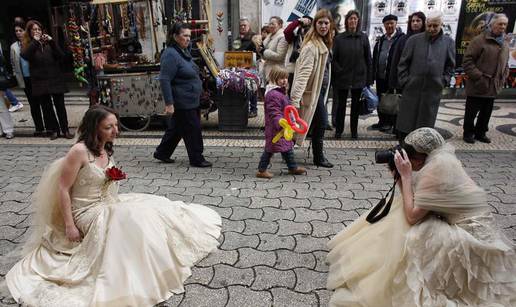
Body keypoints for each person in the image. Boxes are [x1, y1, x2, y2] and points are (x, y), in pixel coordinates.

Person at [5, 105, 222, 306]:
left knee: (152, 211)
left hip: (107, 203)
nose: (115, 131)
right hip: (85, 212)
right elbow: (63, 189)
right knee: (129, 220)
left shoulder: (105, 146)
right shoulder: (79, 151)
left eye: (115, 125)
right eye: (108, 127)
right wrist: (70, 226)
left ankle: (153, 265)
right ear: (94, 128)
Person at [327, 127, 516, 306]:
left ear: (421, 157)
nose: (408, 161)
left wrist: (406, 177)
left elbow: (412, 216)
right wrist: (401, 179)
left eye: (411, 156)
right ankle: (377, 261)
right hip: (478, 225)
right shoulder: (443, 160)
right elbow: (416, 202)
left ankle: (387, 270)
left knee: (420, 232)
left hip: (473, 239)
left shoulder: (437, 170)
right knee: (402, 208)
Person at [154, 22, 212, 168]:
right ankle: (197, 158)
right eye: (184, 36)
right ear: (175, 36)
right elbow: (164, 79)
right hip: (183, 100)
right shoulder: (170, 54)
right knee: (193, 129)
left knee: (177, 128)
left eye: (189, 36)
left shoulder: (183, 51)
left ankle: (162, 152)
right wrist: (169, 104)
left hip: (191, 98)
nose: (188, 39)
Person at [395, 12, 455, 140]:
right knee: (406, 124)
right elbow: (403, 63)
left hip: (432, 91)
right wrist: (405, 81)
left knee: (425, 129)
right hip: (412, 89)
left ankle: (420, 154)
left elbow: (450, 66)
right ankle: (404, 150)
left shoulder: (448, 42)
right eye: (429, 26)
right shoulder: (414, 40)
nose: (432, 29)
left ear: (441, 25)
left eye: (435, 26)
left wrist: (443, 80)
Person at [290, 9, 334, 168]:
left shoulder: (324, 42)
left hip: (320, 91)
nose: (323, 26)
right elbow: (303, 75)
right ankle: (318, 157)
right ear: (315, 25)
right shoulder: (311, 47)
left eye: (326, 23)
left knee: (313, 124)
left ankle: (287, 152)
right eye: (320, 23)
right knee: (320, 123)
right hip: (311, 93)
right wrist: (294, 100)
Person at [21, 20, 74, 140]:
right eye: (34, 29)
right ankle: (54, 130)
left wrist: (52, 42)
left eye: (39, 29)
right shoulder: (28, 45)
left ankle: (65, 130)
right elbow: (25, 56)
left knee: (60, 105)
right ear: (29, 32)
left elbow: (61, 56)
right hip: (40, 80)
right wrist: (35, 41)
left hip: (55, 77)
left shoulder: (49, 43)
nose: (37, 31)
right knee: (47, 107)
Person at [462, 13, 509, 144]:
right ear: (492, 24)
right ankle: (468, 133)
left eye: (505, 24)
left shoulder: (504, 42)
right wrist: (479, 77)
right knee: (471, 112)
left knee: (486, 112)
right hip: (479, 84)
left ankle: (481, 133)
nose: (503, 27)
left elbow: (506, 62)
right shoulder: (479, 40)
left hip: (494, 85)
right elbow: (467, 61)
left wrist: (503, 76)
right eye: (500, 24)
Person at [257, 66, 306, 179]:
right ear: (274, 78)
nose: (284, 80)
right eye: (281, 78)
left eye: (286, 78)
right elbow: (274, 112)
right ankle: (261, 170)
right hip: (276, 128)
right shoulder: (273, 94)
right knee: (270, 149)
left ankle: (292, 167)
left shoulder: (280, 92)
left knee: (287, 147)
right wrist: (280, 122)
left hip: (284, 127)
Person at [332, 10, 372, 139]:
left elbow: (368, 58)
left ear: (358, 21)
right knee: (341, 106)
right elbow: (334, 59)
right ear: (347, 21)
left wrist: (368, 78)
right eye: (350, 19)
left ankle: (354, 131)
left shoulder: (363, 37)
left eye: (355, 19)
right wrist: (339, 70)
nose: (353, 21)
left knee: (356, 106)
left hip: (358, 77)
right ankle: (339, 130)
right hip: (342, 77)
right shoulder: (339, 38)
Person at [11, 20, 46, 135]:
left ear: (25, 31)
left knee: (43, 102)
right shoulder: (14, 47)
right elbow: (13, 63)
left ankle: (48, 126)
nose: (18, 33)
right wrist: (17, 76)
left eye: (20, 30)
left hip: (35, 77)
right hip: (25, 79)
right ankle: (39, 128)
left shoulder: (31, 43)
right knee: (33, 104)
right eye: (16, 31)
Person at [372, 14, 405, 133]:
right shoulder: (381, 40)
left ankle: (392, 123)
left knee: (393, 100)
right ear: (384, 25)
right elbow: (375, 56)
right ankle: (382, 121)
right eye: (387, 24)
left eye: (392, 23)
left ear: (396, 24)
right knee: (381, 99)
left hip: (394, 77)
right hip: (380, 76)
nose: (389, 25)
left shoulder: (401, 39)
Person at [388, 12, 426, 92]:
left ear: (423, 22)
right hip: (404, 83)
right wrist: (394, 83)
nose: (415, 23)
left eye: (418, 21)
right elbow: (395, 62)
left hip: (422, 84)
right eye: (413, 21)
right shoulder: (403, 39)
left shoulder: (428, 41)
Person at [235, 18, 258, 118]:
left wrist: (249, 55)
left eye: (245, 25)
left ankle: (253, 109)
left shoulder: (254, 37)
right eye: (241, 26)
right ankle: (244, 109)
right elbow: (234, 50)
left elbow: (258, 52)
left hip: (251, 67)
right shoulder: (238, 38)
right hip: (239, 67)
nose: (243, 27)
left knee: (252, 88)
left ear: (249, 26)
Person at [283, 15, 312, 96]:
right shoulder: (294, 36)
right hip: (293, 68)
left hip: (307, 68)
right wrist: (299, 21)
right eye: (303, 25)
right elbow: (287, 31)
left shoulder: (313, 38)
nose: (305, 29)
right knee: (292, 93)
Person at [258, 16, 288, 83]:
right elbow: (264, 55)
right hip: (267, 71)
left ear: (280, 25)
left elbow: (280, 56)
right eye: (270, 24)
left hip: (277, 73)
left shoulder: (282, 37)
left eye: (273, 24)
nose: (270, 26)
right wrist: (260, 50)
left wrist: (264, 51)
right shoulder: (269, 36)